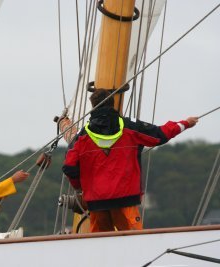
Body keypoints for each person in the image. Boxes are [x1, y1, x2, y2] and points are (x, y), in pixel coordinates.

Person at [62, 89, 198, 233]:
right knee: (134, 244)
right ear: (113, 103)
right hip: (125, 200)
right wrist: (185, 124)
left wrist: (80, 188)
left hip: (96, 203)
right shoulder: (130, 126)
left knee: (100, 248)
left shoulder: (82, 137)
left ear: (92, 105)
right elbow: (160, 134)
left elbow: (69, 167)